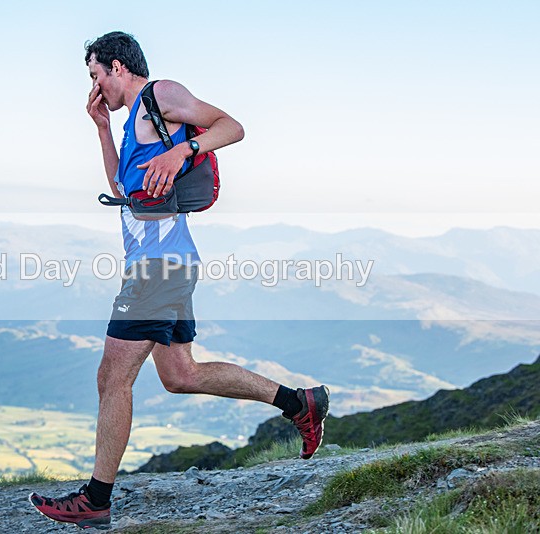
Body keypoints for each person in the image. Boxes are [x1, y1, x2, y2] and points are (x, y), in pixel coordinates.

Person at [30, 31, 329, 530]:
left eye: (95, 75)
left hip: (159, 268)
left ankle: (96, 501)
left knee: (112, 379)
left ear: (118, 68)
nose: (95, 85)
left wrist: (184, 150)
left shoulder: (160, 95)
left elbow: (232, 127)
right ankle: (300, 403)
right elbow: (121, 189)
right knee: (180, 375)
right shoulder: (131, 125)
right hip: (165, 266)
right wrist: (102, 128)